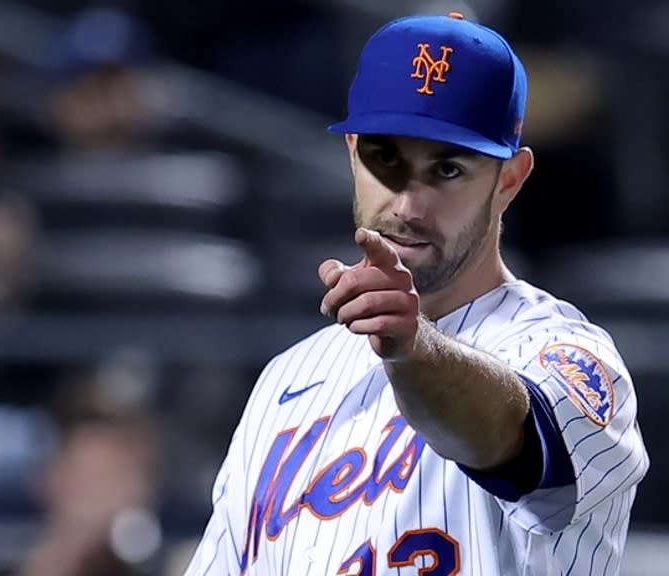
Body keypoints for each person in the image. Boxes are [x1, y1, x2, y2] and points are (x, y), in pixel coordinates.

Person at [183, 12, 649, 576]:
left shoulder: (569, 355)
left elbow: (510, 437)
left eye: (447, 169)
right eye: (386, 160)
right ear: (352, 151)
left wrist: (414, 348)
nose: (408, 205)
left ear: (509, 179)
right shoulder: (285, 380)